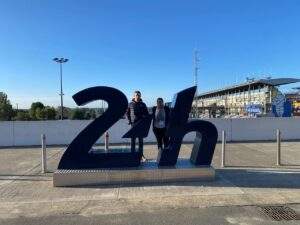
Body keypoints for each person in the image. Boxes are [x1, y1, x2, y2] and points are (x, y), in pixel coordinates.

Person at [126, 90, 149, 161]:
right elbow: (127, 114)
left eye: (139, 95)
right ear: (134, 96)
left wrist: (145, 123)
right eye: (136, 95)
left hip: (141, 125)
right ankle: (132, 155)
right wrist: (129, 121)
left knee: (141, 141)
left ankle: (141, 155)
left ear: (140, 96)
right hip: (133, 125)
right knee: (133, 141)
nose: (137, 96)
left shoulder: (143, 104)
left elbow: (147, 114)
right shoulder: (130, 104)